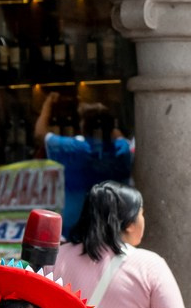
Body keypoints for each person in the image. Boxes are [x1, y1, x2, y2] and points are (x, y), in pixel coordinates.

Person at [54, 181, 191, 308]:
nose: (143, 219)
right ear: (128, 224)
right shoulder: (149, 264)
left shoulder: (59, 258)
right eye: (141, 213)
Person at [32, 92, 134, 232]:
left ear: (83, 127)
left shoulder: (74, 148)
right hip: (113, 228)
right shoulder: (122, 149)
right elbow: (117, 135)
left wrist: (48, 102)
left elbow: (39, 133)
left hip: (76, 229)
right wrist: (103, 118)